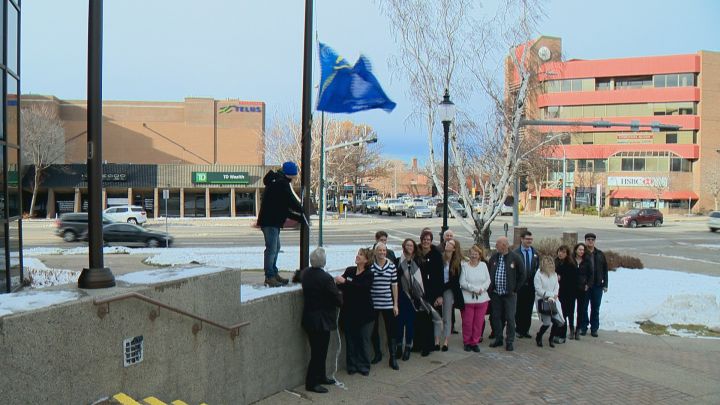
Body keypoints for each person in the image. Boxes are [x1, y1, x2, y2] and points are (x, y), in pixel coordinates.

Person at [300, 248, 343, 393]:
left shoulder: (306, 274)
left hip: (309, 318)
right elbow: (337, 299)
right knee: (319, 352)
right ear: (323, 262)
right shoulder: (326, 278)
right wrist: (340, 294)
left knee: (319, 350)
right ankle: (312, 383)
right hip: (321, 321)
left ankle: (322, 376)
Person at [257, 161, 304, 287]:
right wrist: (302, 211)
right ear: (290, 174)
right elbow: (290, 202)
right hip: (270, 222)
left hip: (272, 221)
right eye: (294, 175)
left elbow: (283, 207)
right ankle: (270, 276)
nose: (295, 178)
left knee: (275, 248)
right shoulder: (281, 184)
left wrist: (298, 215)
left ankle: (273, 273)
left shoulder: (277, 181)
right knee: (272, 249)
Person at [335, 248, 374, 376]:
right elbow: (342, 285)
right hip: (349, 313)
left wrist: (346, 282)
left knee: (363, 340)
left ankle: (364, 365)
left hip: (365, 314)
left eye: (361, 255)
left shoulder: (369, 274)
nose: (357, 256)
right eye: (358, 254)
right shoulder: (350, 270)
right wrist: (339, 282)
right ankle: (351, 365)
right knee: (350, 341)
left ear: (366, 260)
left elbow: (361, 288)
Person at [488, 236, 525, 351]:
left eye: (497, 244)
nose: (496, 246)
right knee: (496, 316)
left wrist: (515, 289)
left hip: (509, 294)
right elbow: (489, 272)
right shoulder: (494, 258)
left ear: (504, 245)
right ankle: (499, 338)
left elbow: (522, 274)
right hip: (496, 294)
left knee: (510, 317)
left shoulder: (515, 258)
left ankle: (509, 341)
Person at [369, 242, 400, 370]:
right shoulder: (370, 266)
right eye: (380, 250)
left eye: (384, 250)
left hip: (387, 302)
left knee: (391, 331)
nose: (382, 253)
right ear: (375, 252)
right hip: (374, 303)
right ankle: (377, 354)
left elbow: (394, 285)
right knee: (373, 330)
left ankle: (392, 357)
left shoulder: (391, 266)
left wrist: (395, 304)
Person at [416, 229, 444, 356]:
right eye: (424, 239)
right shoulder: (417, 252)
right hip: (418, 291)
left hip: (432, 291)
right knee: (419, 319)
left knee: (429, 319)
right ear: (421, 240)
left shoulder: (436, 254)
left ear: (431, 241)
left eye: (428, 240)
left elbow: (440, 276)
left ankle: (428, 346)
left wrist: (440, 295)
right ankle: (418, 344)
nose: (426, 242)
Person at [459, 245, 491, 352]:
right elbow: (462, 282)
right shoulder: (464, 266)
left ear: (479, 255)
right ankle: (467, 342)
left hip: (482, 299)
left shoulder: (483, 265)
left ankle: (474, 342)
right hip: (468, 300)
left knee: (478, 323)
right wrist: (474, 289)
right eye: (472, 253)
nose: (473, 255)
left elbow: (488, 280)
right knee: (467, 322)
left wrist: (482, 288)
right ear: (469, 254)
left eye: (476, 254)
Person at [395, 238, 422, 361]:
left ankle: (408, 348)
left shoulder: (417, 262)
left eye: (411, 245)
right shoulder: (397, 262)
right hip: (400, 296)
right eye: (407, 245)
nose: (409, 247)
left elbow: (420, 281)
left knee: (410, 324)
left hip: (413, 298)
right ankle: (399, 347)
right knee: (399, 324)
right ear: (403, 247)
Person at [437, 238, 464, 351]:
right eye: (447, 243)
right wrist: (438, 293)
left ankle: (446, 341)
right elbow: (435, 275)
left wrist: (444, 289)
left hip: (448, 290)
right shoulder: (439, 258)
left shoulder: (456, 262)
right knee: (437, 316)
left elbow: (454, 281)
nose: (448, 244)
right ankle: (436, 339)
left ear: (454, 248)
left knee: (447, 316)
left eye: (451, 244)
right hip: (438, 289)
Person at [582, 233, 608, 338]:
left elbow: (605, 270)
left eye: (592, 239)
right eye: (588, 239)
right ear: (585, 241)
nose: (590, 241)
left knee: (595, 308)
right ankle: (583, 327)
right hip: (585, 286)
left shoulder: (600, 254)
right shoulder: (582, 253)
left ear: (595, 241)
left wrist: (605, 284)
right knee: (583, 307)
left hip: (597, 286)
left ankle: (594, 328)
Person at [534, 256, 564, 348]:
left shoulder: (554, 274)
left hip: (553, 300)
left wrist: (554, 295)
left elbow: (557, 286)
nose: (550, 265)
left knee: (557, 321)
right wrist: (549, 294)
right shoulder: (539, 274)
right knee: (546, 323)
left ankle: (551, 338)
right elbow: (538, 289)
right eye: (548, 264)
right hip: (543, 300)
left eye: (551, 264)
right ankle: (539, 336)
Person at [514, 231, 539, 339]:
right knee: (519, 308)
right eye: (527, 239)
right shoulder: (516, 253)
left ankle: (525, 330)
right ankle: (519, 329)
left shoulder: (535, 253)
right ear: (522, 239)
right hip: (520, 286)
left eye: (531, 239)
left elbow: (537, 268)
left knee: (528, 309)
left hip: (531, 286)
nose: (529, 241)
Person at [551, 245, 577, 343]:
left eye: (563, 252)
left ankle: (562, 335)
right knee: (556, 314)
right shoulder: (555, 262)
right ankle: (555, 333)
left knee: (563, 314)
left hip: (567, 294)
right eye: (559, 251)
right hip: (556, 293)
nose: (560, 254)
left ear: (567, 254)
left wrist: (561, 278)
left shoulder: (570, 264)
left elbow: (573, 280)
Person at [572, 242, 594, 340]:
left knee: (580, 310)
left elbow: (591, 274)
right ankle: (571, 330)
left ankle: (578, 330)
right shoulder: (571, 260)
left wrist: (588, 285)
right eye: (579, 249)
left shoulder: (587, 261)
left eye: (583, 250)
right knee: (570, 310)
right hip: (572, 288)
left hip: (582, 288)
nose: (581, 251)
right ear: (576, 250)